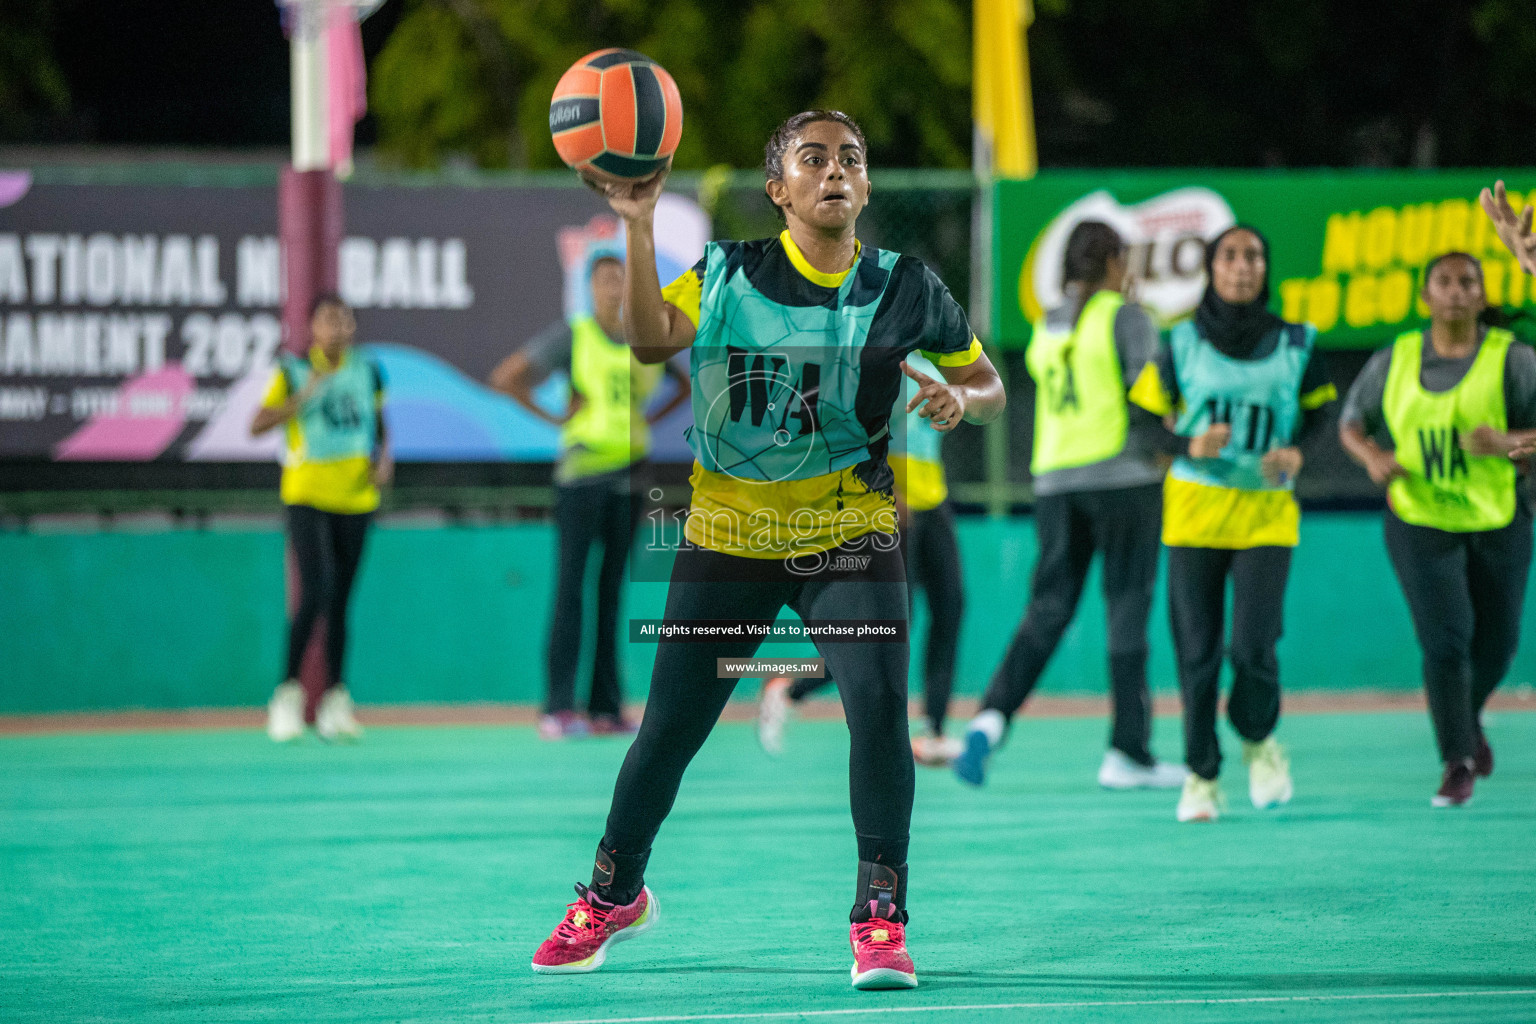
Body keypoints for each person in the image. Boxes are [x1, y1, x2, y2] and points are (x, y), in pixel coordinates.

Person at [530, 111, 1004, 989]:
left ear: (866, 187)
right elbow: (644, 342)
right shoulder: (725, 275)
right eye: (812, 159)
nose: (835, 171)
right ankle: (611, 895)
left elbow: (987, 380)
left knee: (876, 711)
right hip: (730, 536)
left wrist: (960, 401)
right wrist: (636, 224)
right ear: (779, 189)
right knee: (670, 731)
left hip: (850, 535)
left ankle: (880, 918)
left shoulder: (907, 287)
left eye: (851, 159)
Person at [952, 221, 1184, 791]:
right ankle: (1128, 752)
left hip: (1056, 481)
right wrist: (1173, 450)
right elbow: (1147, 397)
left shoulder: (1046, 323)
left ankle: (990, 717)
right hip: (1123, 477)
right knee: (1127, 605)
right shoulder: (1127, 317)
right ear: (1111, 262)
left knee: (1048, 609)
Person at [1127, 225, 1337, 823]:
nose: (1242, 267)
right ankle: (1201, 775)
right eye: (1230, 256)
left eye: (1253, 256)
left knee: (1253, 648)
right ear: (1212, 269)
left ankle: (1258, 736)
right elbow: (1143, 425)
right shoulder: (1182, 341)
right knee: (1197, 655)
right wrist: (1188, 442)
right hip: (1195, 515)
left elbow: (1323, 413)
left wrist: (1299, 452)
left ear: (1265, 271)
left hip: (1267, 515)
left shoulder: (1298, 342)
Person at [1339, 251, 1536, 807]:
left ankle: (1466, 719)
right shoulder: (1394, 359)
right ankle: (1457, 761)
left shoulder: (1513, 360)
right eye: (1443, 282)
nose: (1454, 291)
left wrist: (1507, 443)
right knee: (1446, 642)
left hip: (1496, 513)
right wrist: (1373, 456)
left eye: (1466, 282)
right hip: (1419, 515)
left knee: (1497, 646)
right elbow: (1350, 423)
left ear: (1480, 294)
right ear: (1425, 297)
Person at [490, 252, 689, 739]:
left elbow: (681, 384)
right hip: (580, 480)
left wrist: (647, 422)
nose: (614, 289)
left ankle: (605, 707)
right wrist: (556, 420)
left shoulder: (644, 340)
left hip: (629, 480)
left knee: (610, 594)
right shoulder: (573, 337)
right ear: (589, 289)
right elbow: (506, 377)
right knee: (571, 592)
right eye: (604, 281)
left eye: (621, 280)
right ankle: (557, 707)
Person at [755, 347, 967, 767]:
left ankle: (935, 730)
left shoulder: (936, 360)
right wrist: (890, 490)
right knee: (886, 629)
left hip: (933, 495)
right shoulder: (878, 352)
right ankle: (790, 689)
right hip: (893, 498)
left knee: (952, 606)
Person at [251, 294, 390, 743]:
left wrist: (383, 459)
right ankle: (287, 696)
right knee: (314, 591)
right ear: (313, 328)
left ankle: (334, 700)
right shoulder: (292, 373)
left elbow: (379, 424)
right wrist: (303, 395)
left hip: (355, 498)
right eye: (328, 320)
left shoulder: (367, 369)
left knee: (341, 601)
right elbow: (257, 424)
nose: (338, 328)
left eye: (344, 320)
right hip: (307, 495)